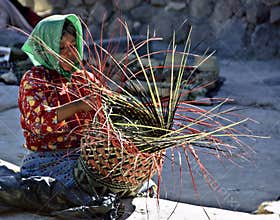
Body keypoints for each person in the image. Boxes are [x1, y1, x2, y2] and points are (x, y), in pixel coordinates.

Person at [18, 14, 96, 188]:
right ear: (45, 49)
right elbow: (39, 123)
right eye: (61, 48)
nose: (70, 54)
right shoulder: (33, 80)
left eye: (74, 46)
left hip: (83, 156)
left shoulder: (85, 78)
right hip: (45, 160)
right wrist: (78, 105)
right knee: (82, 184)